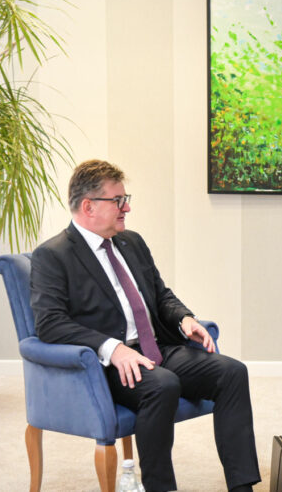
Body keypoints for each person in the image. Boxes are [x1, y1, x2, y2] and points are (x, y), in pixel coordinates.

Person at [30, 160, 260, 492]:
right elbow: (50, 324)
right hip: (108, 365)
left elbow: (160, 295)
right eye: (118, 200)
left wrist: (184, 318)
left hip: (157, 347)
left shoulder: (131, 242)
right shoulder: (53, 256)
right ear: (88, 206)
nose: (127, 208)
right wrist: (112, 348)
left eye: (126, 199)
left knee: (232, 372)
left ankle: (242, 488)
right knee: (162, 385)